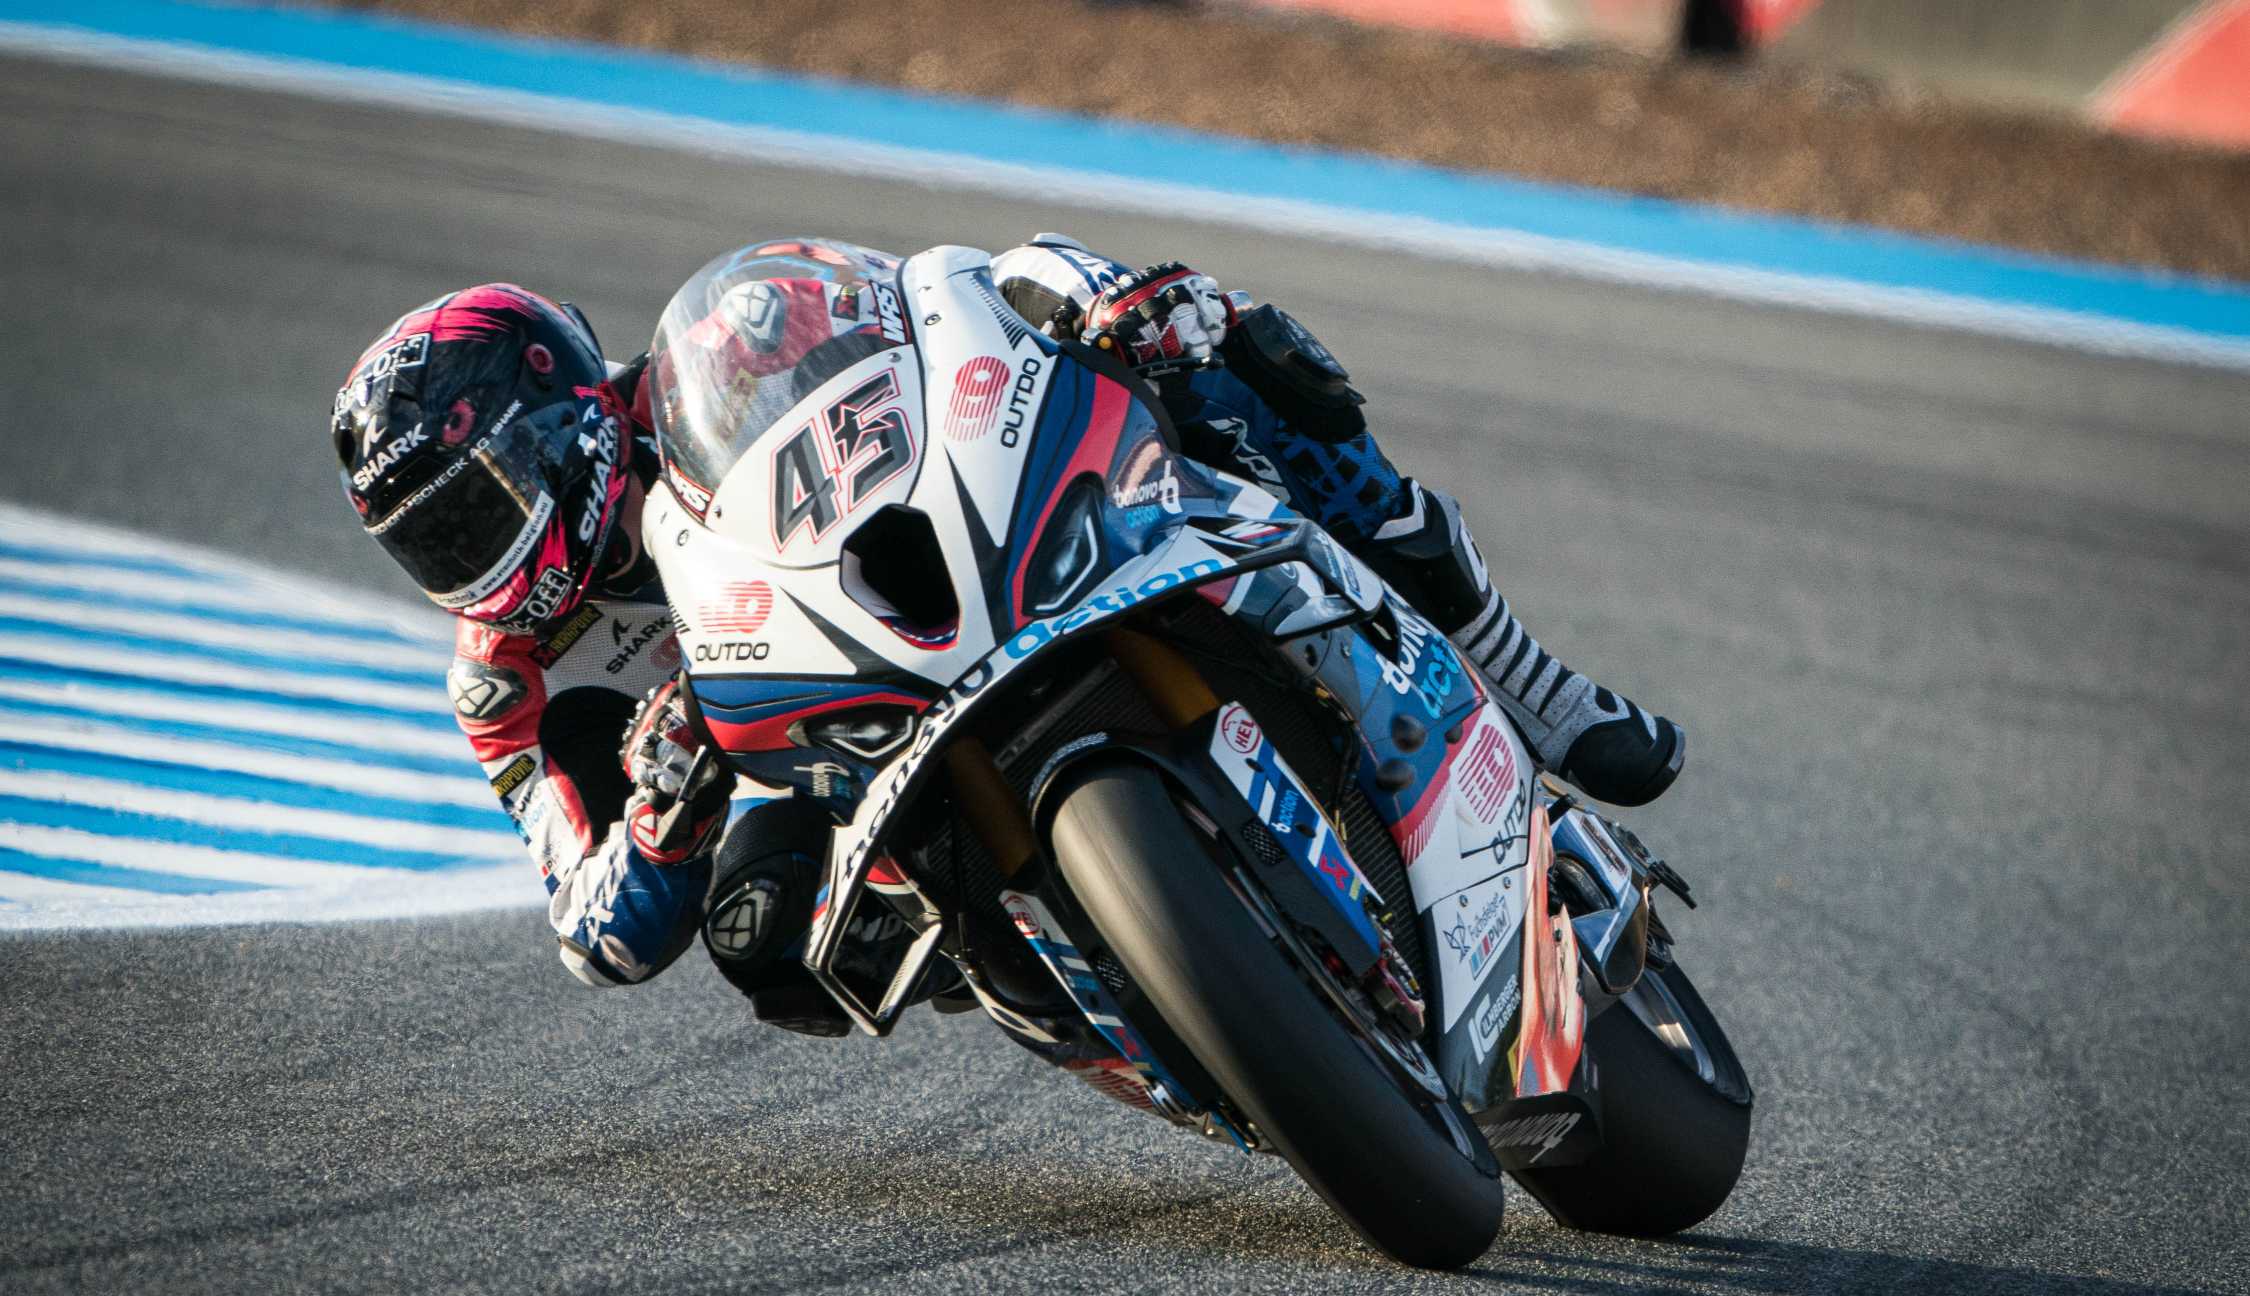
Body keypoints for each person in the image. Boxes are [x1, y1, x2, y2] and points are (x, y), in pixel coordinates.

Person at [329, 238, 1684, 1041]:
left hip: (969, 560)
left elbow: (939, 299)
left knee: (1233, 364)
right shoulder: (503, 683)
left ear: (560, 410)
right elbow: (593, 932)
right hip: (831, 764)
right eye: (433, 548)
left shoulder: (732, 346)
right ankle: (1106, 983)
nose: (475, 567)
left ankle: (1527, 685)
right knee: (758, 937)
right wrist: (664, 814)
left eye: (477, 511)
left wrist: (1095, 301)